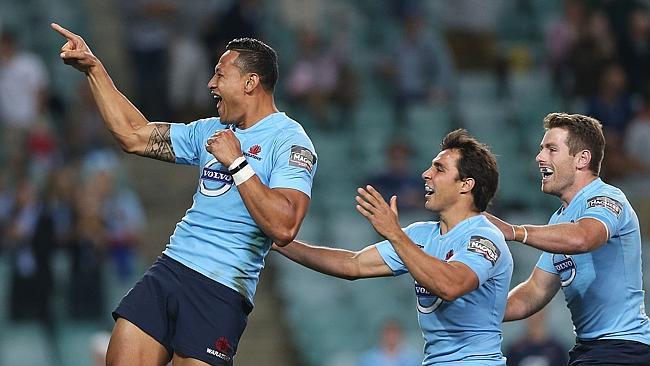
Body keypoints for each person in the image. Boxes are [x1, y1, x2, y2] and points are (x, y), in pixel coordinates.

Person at [52, 23, 317, 366]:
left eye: (220, 75)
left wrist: (237, 163)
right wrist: (94, 69)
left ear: (250, 83)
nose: (210, 84)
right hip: (172, 268)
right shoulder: (211, 129)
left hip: (220, 291)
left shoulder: (290, 141)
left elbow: (284, 226)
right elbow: (134, 135)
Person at [273, 129, 512, 365]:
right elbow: (352, 264)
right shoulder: (420, 234)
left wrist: (395, 234)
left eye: (439, 169)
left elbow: (450, 285)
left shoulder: (485, 237)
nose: (426, 174)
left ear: (466, 185)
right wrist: (279, 241)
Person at [485, 112, 650, 365]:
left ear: (582, 159)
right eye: (542, 149)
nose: (540, 157)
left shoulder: (607, 198)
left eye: (551, 149)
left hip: (623, 348)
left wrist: (516, 231)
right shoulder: (559, 220)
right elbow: (536, 290)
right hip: (590, 350)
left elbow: (585, 238)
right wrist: (481, 312)